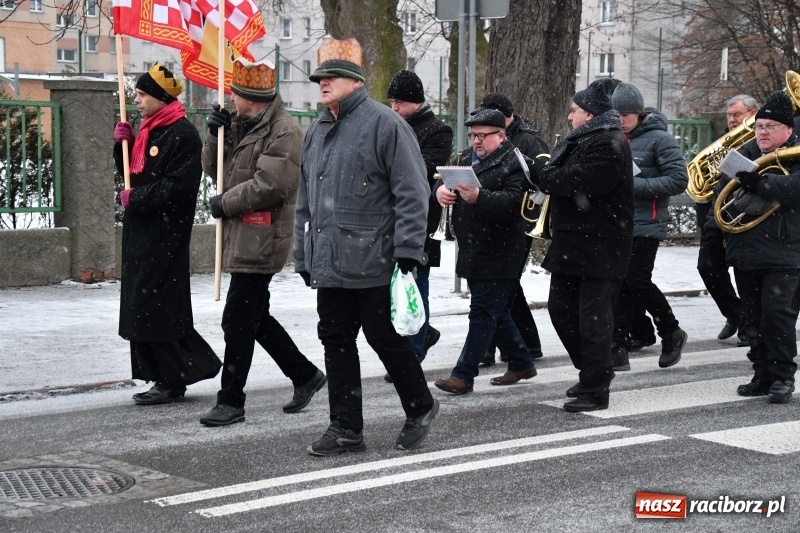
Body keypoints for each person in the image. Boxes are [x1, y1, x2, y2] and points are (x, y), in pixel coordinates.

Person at [294, 38, 438, 455]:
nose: (322, 83)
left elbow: (413, 193)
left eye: (331, 76)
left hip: (376, 258)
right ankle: (345, 427)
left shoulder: (385, 124)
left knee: (384, 337)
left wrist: (409, 253)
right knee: (335, 339)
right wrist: (303, 254)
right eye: (319, 77)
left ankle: (420, 406)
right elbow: (305, 199)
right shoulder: (317, 130)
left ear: (355, 81)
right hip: (330, 261)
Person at [198, 58, 326, 427]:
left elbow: (271, 186)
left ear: (249, 97)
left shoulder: (283, 132)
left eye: (234, 94)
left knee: (237, 320)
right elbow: (214, 170)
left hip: (263, 237)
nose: (230, 99)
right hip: (242, 235)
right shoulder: (240, 124)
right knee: (254, 316)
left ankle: (231, 400)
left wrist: (225, 204)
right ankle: (304, 375)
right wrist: (213, 135)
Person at [113, 63, 221, 405]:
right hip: (141, 232)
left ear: (161, 97)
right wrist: (123, 147)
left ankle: (174, 377)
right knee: (142, 305)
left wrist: (139, 198)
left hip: (165, 234)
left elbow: (179, 187)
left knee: (158, 306)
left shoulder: (183, 134)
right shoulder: (149, 130)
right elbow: (134, 173)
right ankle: (163, 374)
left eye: (143, 94)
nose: (138, 101)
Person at [534, 79, 634, 412]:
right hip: (574, 244)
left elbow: (579, 182)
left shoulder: (609, 142)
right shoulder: (583, 139)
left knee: (593, 318)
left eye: (574, 111)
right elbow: (563, 177)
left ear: (589, 114)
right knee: (560, 310)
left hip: (602, 247)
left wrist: (542, 175)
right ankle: (593, 370)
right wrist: (545, 175)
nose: (569, 116)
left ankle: (596, 386)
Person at [432, 108, 537, 395]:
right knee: (496, 310)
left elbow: (516, 203)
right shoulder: (466, 159)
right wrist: (440, 191)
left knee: (482, 312)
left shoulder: (514, 161)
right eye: (473, 135)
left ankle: (464, 374)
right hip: (472, 248)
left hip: (501, 249)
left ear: (501, 136)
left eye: (483, 136)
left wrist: (481, 197)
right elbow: (443, 182)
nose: (476, 141)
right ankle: (521, 361)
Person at [706, 91, 800, 403]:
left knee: (777, 316)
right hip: (745, 251)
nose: (762, 132)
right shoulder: (743, 154)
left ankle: (783, 376)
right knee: (753, 318)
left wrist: (759, 184)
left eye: (770, 126)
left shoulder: (796, 154)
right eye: (759, 126)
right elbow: (721, 197)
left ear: (787, 130)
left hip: (785, 253)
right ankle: (761, 373)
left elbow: (794, 189)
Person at [609, 82, 689, 370]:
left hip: (646, 223)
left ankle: (671, 331)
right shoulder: (612, 137)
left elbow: (679, 180)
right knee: (618, 286)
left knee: (636, 280)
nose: (620, 121)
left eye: (626, 115)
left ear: (639, 114)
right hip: (615, 224)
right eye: (615, 115)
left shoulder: (660, 140)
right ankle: (618, 347)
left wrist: (633, 185)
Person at [385, 69, 452, 378]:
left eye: (400, 102)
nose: (394, 108)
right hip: (390, 219)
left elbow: (422, 170)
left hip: (419, 220)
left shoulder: (438, 131)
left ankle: (412, 355)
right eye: (391, 102)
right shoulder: (389, 124)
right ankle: (419, 336)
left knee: (415, 287)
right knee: (394, 290)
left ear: (415, 102)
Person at [474, 92, 548, 368]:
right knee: (505, 288)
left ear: (507, 117)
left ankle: (500, 347)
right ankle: (524, 344)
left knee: (503, 287)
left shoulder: (528, 140)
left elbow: (543, 176)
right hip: (489, 219)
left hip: (517, 221)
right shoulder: (484, 137)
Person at [694, 94, 757, 347]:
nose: (731, 120)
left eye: (737, 115)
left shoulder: (759, 141)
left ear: (753, 113)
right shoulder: (725, 141)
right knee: (707, 267)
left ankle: (750, 326)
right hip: (716, 213)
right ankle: (736, 314)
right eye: (729, 115)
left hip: (744, 215)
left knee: (746, 274)